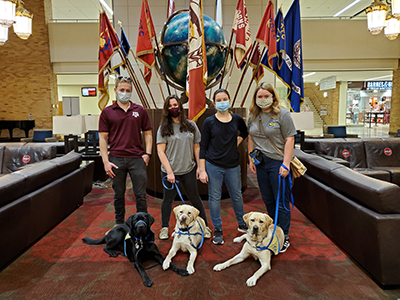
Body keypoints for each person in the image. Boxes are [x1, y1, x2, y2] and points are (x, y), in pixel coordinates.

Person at [247, 82, 297, 252]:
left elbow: (290, 139)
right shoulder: (253, 115)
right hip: (261, 162)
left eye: (266, 96)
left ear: (273, 97)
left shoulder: (282, 114)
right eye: (259, 97)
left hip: (278, 162)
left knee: (280, 201)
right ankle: (272, 228)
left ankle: (284, 236)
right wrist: (250, 158)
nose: (263, 100)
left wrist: (286, 163)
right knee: (267, 198)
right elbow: (251, 138)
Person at [99, 76, 153, 229]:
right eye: (121, 90)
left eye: (128, 90)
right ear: (115, 91)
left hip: (137, 159)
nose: (124, 93)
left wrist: (147, 154)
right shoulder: (107, 112)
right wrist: (105, 162)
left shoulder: (139, 110)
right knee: (118, 195)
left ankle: (143, 224)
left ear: (131, 92)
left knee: (141, 195)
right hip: (116, 159)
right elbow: (102, 139)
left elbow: (148, 133)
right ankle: (119, 225)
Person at [156, 95, 211, 240]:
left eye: (176, 104)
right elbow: (160, 152)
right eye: (170, 105)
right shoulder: (163, 128)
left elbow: (197, 148)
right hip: (170, 172)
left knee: (195, 198)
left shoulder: (191, 125)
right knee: (167, 200)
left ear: (180, 107)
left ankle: (204, 226)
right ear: (167, 109)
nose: (174, 107)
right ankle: (164, 227)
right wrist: (169, 172)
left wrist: (200, 167)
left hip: (188, 170)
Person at [199, 88, 248, 245]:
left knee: (237, 195)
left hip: (233, 166)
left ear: (229, 100)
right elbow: (203, 146)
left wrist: (236, 143)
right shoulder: (209, 122)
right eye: (219, 100)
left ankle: (242, 223)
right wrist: (202, 169)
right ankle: (218, 229)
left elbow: (245, 133)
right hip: (213, 166)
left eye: (224, 99)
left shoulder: (237, 119)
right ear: (214, 103)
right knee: (214, 198)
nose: (222, 102)